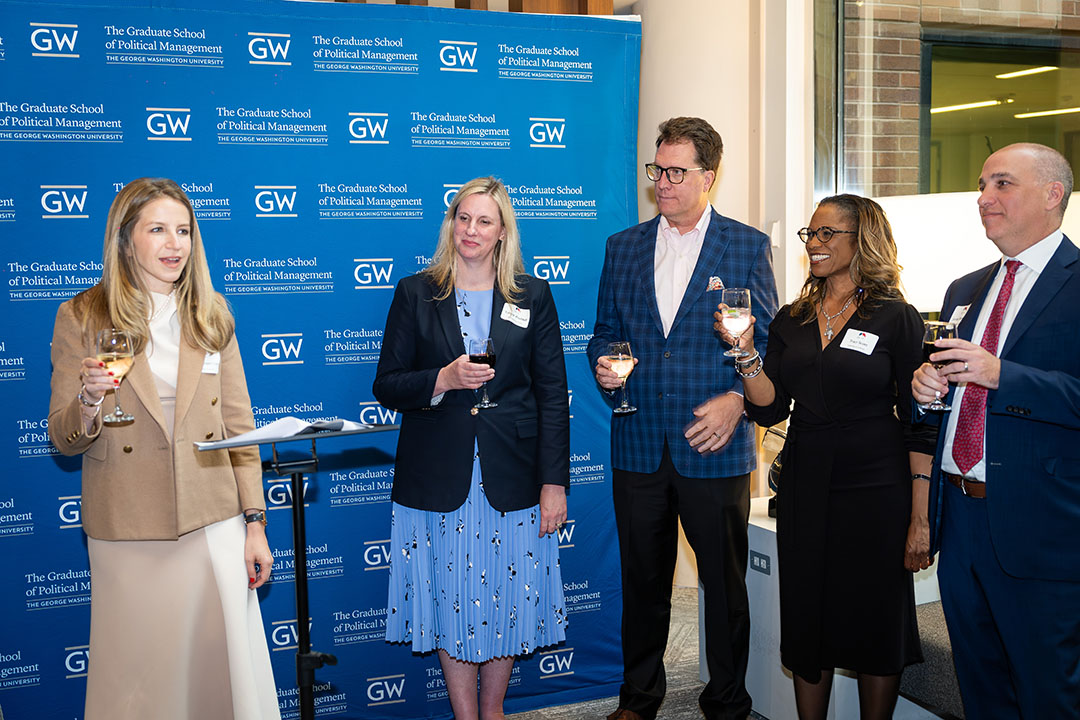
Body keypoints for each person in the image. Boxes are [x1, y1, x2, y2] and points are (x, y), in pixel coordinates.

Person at [48, 178, 280, 720]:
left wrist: (255, 523)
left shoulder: (210, 314)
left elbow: (238, 425)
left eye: (184, 231)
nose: (174, 244)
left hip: (212, 518)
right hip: (128, 526)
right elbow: (63, 437)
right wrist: (88, 398)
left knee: (217, 676)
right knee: (139, 684)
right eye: (158, 229)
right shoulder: (82, 316)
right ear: (126, 239)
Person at [587, 117, 778, 720]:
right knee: (642, 582)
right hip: (639, 437)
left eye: (675, 172)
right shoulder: (623, 247)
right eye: (657, 170)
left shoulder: (745, 246)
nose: (662, 182)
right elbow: (604, 335)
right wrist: (608, 365)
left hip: (714, 442)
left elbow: (772, 342)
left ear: (708, 177)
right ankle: (639, 699)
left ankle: (727, 701)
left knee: (723, 586)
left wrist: (741, 402)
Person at [718, 194, 935, 719]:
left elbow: (920, 422)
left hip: (877, 486)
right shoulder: (791, 319)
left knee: (875, 619)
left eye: (825, 234)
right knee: (807, 615)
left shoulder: (895, 317)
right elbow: (770, 410)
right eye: (808, 234)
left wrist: (920, 517)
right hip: (806, 480)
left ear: (861, 240)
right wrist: (746, 354)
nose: (813, 244)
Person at [373, 176, 569, 720]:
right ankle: (465, 716)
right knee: (448, 598)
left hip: (515, 477)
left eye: (485, 220)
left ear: (503, 231)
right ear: (450, 224)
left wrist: (555, 483)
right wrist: (441, 379)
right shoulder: (417, 292)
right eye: (463, 218)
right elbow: (387, 383)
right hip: (438, 476)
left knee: (508, 595)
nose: (471, 230)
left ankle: (495, 711)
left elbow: (553, 395)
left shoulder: (533, 296)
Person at [912, 143, 1080, 717]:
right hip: (960, 518)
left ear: (1052, 195)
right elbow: (947, 398)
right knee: (980, 688)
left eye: (1002, 184)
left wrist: (1004, 374)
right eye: (982, 185)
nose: (984, 199)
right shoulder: (965, 289)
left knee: (1048, 691)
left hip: (1043, 523)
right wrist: (925, 392)